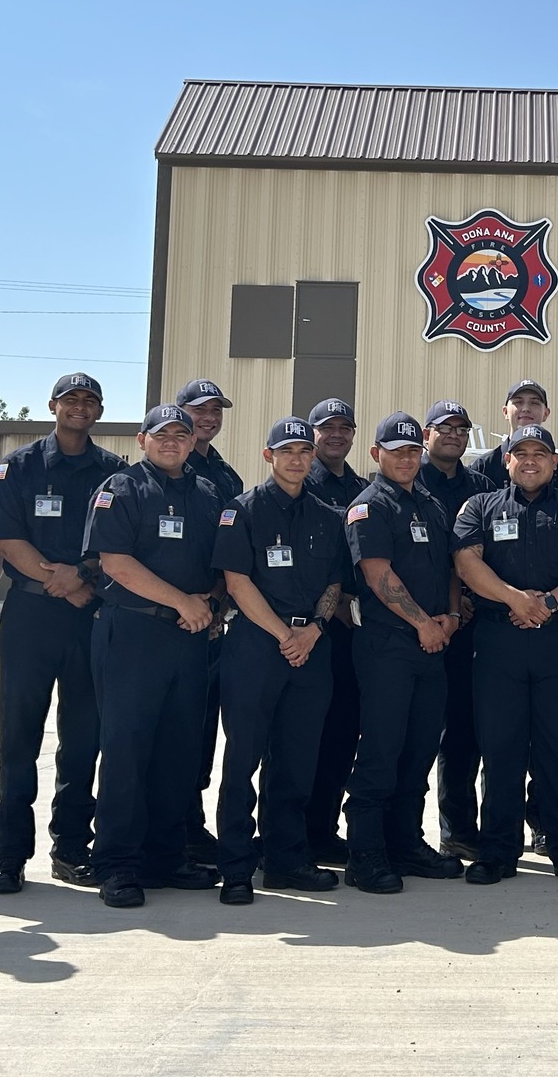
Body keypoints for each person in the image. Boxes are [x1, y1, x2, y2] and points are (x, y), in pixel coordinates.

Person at [450, 423, 558, 887]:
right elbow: (467, 561)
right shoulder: (480, 506)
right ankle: (497, 851)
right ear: (506, 461)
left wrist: (548, 604)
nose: (530, 461)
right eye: (520, 453)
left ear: (554, 462)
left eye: (539, 453)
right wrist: (515, 600)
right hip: (498, 640)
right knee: (500, 749)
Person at [0, 372, 124, 893]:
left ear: (99, 411)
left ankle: (70, 848)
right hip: (30, 620)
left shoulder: (113, 471)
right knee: (18, 739)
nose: (79, 408)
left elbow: (116, 542)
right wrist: (60, 580)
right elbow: (6, 538)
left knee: (83, 741)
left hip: (89, 619)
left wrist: (81, 577)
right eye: (71, 400)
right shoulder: (18, 467)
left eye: (90, 400)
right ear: (53, 406)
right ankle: (10, 853)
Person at [81, 403, 225, 908]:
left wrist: (207, 605)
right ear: (142, 441)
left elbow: (221, 562)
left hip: (190, 635)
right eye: (161, 434)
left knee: (178, 751)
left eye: (181, 435)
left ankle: (166, 858)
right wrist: (182, 602)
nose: (172, 442)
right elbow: (115, 562)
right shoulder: (121, 490)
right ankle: (117, 864)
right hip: (134, 633)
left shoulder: (208, 494)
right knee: (127, 750)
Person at [212, 418, 349, 905]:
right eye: (286, 450)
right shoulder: (242, 511)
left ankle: (286, 860)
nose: (297, 459)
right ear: (268, 456)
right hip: (256, 645)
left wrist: (311, 630)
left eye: (304, 451)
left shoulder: (328, 516)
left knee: (296, 760)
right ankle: (235, 866)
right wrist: (282, 634)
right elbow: (236, 581)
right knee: (243, 758)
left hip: (310, 648)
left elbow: (335, 582)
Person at [342, 413, 465, 893]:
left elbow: (452, 570)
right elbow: (378, 575)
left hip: (433, 644)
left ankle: (406, 843)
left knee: (418, 752)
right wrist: (422, 625)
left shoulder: (431, 506)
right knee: (381, 751)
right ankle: (365, 854)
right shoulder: (369, 507)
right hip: (388, 647)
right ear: (376, 454)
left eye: (414, 450)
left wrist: (451, 618)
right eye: (396, 451)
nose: (407, 458)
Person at [413, 399, 497, 860]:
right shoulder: (405, 480)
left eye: (462, 428)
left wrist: (469, 600)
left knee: (464, 731)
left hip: (470, 628)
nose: (453, 434)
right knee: (411, 734)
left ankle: (459, 829)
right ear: (426, 434)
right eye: (443, 427)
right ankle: (399, 831)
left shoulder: (481, 487)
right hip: (414, 627)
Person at [173, 377, 241, 866]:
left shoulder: (227, 478)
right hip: (164, 623)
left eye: (216, 410)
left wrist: (216, 606)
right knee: (163, 733)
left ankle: (192, 828)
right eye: (199, 410)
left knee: (200, 733)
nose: (209, 418)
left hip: (213, 624)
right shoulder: (159, 468)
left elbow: (232, 556)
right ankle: (167, 828)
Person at [301, 396, 369, 867]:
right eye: (327, 428)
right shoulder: (299, 483)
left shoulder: (364, 489)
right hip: (310, 628)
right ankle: (295, 831)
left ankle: (325, 830)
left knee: (343, 733)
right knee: (303, 735)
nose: (337, 435)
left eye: (345, 427)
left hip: (356, 634)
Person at [466, 378, 558, 492]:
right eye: (518, 402)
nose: (526, 408)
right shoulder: (483, 468)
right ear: (505, 412)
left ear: (546, 414)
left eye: (534, 403)